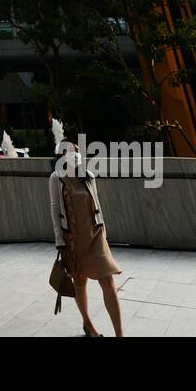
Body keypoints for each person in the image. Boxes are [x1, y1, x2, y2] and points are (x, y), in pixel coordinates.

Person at [49, 134, 123, 337]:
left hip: (95, 235)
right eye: (71, 151)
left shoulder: (88, 175)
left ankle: (120, 334)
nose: (76, 153)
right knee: (80, 282)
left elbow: (96, 204)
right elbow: (55, 209)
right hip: (73, 239)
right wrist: (59, 241)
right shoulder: (56, 179)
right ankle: (88, 325)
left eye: (77, 150)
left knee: (108, 282)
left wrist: (104, 236)